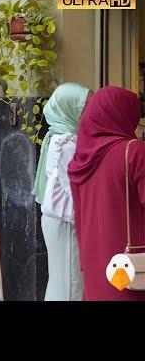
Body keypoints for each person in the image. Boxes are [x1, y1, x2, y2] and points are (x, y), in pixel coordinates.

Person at [68, 86, 145, 301]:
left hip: (97, 263)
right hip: (135, 266)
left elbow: (79, 217)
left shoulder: (80, 160)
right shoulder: (134, 152)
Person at [31, 83, 90, 301]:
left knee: (61, 280)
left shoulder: (57, 137)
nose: (89, 113)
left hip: (58, 219)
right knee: (71, 282)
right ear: (69, 109)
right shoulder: (68, 143)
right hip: (66, 221)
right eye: (84, 107)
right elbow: (72, 189)